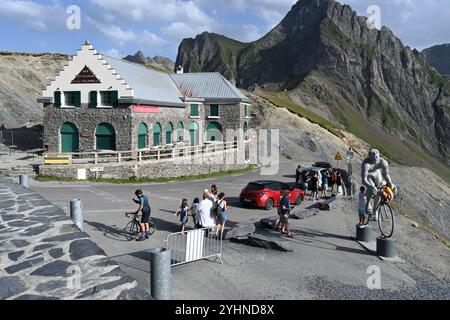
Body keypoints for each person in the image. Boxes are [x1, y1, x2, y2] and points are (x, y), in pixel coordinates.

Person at [361, 149, 397, 221]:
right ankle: (367, 203)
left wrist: (390, 183)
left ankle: (375, 212)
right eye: (373, 155)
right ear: (369, 156)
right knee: (372, 188)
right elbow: (364, 180)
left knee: (379, 190)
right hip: (368, 175)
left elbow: (386, 175)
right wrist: (370, 186)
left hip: (377, 173)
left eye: (376, 156)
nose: (375, 157)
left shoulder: (383, 162)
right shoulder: (366, 164)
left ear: (379, 155)